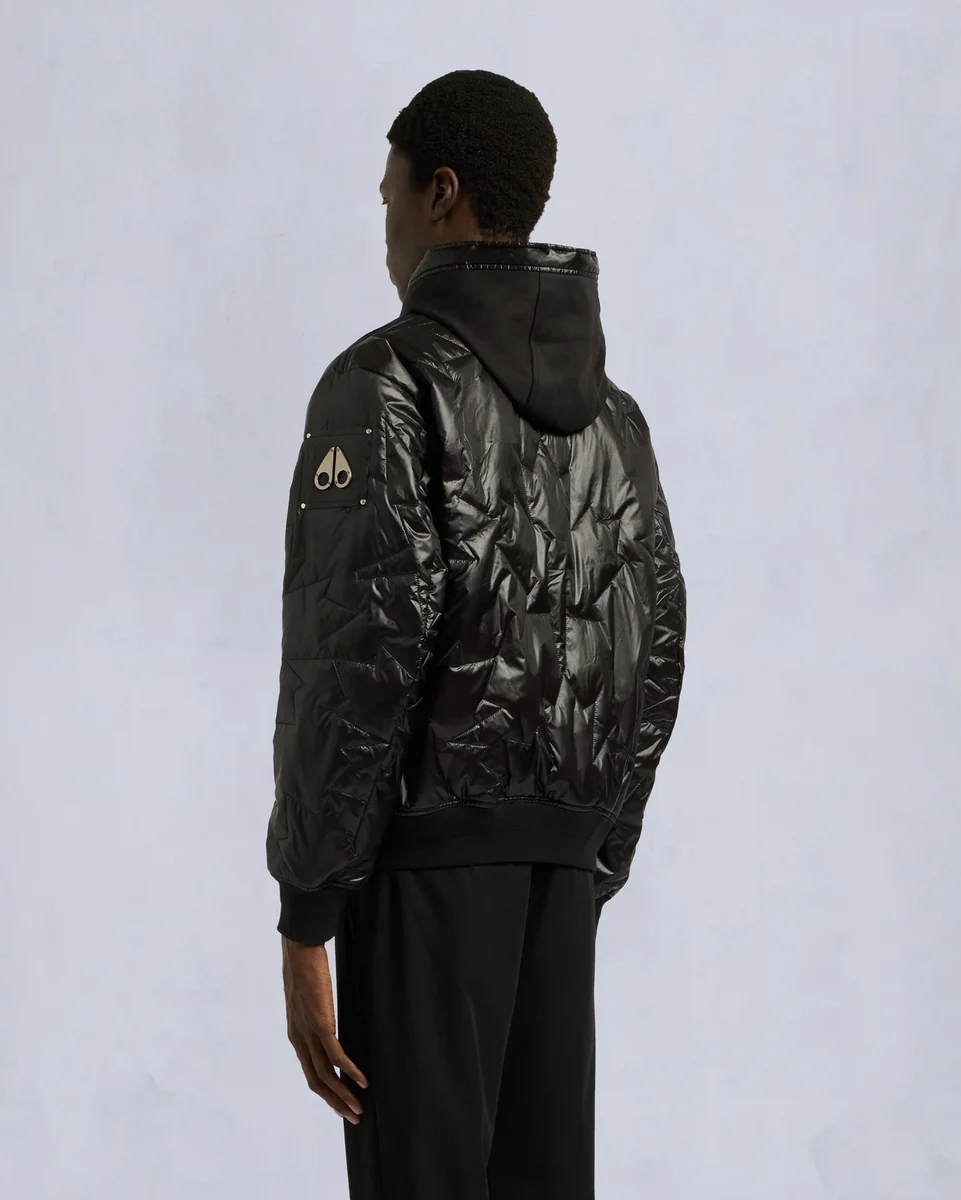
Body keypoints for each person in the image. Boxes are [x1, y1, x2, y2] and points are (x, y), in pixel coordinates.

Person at [266, 68, 686, 1199]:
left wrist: (308, 908)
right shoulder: (616, 420)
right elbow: (655, 647)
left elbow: (355, 658)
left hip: (423, 872)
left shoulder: (385, 380)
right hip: (561, 868)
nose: (386, 229)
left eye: (391, 195)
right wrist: (595, 850)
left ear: (441, 192)